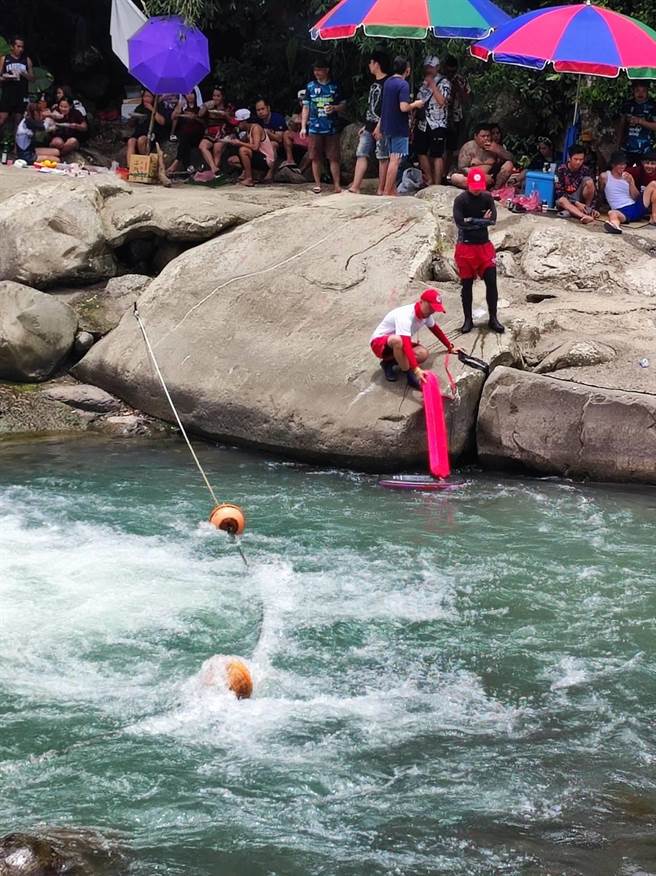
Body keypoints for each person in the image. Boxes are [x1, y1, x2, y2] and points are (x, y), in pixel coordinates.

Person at [453, 168, 504, 334]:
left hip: (484, 246)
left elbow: (493, 220)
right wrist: (482, 221)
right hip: (465, 246)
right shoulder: (460, 200)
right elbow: (461, 223)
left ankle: (493, 317)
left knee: (491, 282)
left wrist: (474, 222)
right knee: (466, 285)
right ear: (468, 183)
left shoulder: (487, 198)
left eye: (479, 186)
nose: (476, 189)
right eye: (474, 186)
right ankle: (468, 319)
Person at [370, 288, 455, 388]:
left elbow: (436, 330)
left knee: (423, 354)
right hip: (380, 344)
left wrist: (449, 346)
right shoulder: (405, 316)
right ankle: (409, 376)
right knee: (398, 341)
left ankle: (388, 363)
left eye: (435, 309)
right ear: (422, 302)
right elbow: (405, 344)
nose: (432, 311)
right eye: (431, 307)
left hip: (398, 342)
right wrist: (416, 370)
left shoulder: (426, 315)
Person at [378, 56, 425, 197]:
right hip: (399, 126)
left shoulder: (388, 82)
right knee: (395, 159)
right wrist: (415, 104)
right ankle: (387, 191)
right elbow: (404, 107)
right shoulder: (403, 85)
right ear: (407, 70)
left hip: (387, 126)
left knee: (390, 157)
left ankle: (391, 189)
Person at [348, 50, 390, 195]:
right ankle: (355, 186)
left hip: (382, 125)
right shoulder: (374, 84)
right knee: (361, 153)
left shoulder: (388, 83)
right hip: (370, 124)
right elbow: (372, 106)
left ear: (377, 64)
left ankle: (381, 188)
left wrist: (379, 126)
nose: (369, 65)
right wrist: (366, 126)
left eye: (371, 62)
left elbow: (387, 107)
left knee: (382, 156)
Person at [300, 60, 346, 194]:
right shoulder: (310, 87)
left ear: (327, 70)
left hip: (331, 127)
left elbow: (344, 104)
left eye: (319, 70)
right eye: (315, 70)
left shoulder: (335, 86)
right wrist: (303, 126)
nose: (316, 73)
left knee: (334, 157)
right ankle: (317, 184)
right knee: (315, 156)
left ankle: (337, 185)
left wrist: (335, 108)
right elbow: (306, 107)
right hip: (314, 127)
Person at [414, 56, 451, 187]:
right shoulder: (423, 83)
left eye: (432, 67)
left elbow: (442, 102)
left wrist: (433, 85)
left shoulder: (444, 82)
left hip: (438, 122)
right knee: (421, 151)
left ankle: (437, 184)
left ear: (437, 68)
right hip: (423, 122)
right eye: (427, 67)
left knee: (437, 153)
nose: (429, 70)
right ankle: (429, 179)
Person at [600, 150, 656, 233]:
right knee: (612, 213)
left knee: (653, 184)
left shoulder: (627, 176)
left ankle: (654, 216)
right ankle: (615, 226)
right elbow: (601, 192)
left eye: (624, 164)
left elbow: (636, 197)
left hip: (635, 206)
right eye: (620, 164)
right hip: (621, 210)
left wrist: (631, 183)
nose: (623, 166)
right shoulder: (604, 176)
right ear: (613, 165)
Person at [225, 108, 275, 186]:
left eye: (238, 123)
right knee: (232, 160)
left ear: (244, 121)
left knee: (243, 150)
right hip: (258, 157)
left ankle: (249, 179)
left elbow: (255, 147)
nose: (237, 125)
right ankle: (253, 175)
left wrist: (239, 143)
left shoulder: (256, 128)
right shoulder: (248, 131)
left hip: (266, 159)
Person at [555, 143, 599, 224]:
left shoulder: (586, 170)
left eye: (581, 159)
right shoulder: (561, 169)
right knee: (561, 200)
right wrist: (576, 203)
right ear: (569, 158)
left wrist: (591, 208)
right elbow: (559, 192)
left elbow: (593, 192)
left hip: (581, 200)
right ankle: (583, 215)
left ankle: (586, 210)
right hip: (567, 200)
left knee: (589, 182)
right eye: (575, 159)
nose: (578, 162)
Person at [442, 55, 471, 175]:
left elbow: (467, 100)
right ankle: (441, 172)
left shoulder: (461, 80)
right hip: (440, 118)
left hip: (457, 117)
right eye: (448, 71)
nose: (450, 74)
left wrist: (458, 88)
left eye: (453, 71)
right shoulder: (440, 80)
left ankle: (450, 171)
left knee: (454, 147)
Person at [617, 82, 656, 166]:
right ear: (633, 91)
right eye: (637, 91)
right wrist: (618, 144)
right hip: (627, 148)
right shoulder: (627, 104)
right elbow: (621, 125)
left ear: (647, 92)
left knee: (644, 174)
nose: (640, 94)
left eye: (643, 91)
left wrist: (641, 121)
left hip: (646, 148)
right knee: (624, 173)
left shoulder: (653, 106)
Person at [0, 36, 34, 133]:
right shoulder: (4, 59)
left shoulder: (26, 60)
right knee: (2, 118)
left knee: (18, 122)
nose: (21, 49)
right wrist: (7, 77)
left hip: (21, 94)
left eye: (22, 47)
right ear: (12, 47)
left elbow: (32, 79)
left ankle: (16, 148)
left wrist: (24, 73)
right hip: (8, 93)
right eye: (18, 46)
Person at [167, 91, 205, 175]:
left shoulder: (200, 106)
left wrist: (195, 117)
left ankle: (175, 163)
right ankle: (188, 166)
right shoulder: (182, 106)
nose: (190, 96)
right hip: (185, 133)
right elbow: (173, 117)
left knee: (184, 138)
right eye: (187, 94)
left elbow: (204, 122)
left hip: (197, 133)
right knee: (184, 139)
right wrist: (178, 109)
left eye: (192, 94)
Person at [198, 86, 234, 175]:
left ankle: (213, 173)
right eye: (214, 96)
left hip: (224, 132)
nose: (215, 98)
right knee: (202, 146)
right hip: (211, 133)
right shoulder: (210, 106)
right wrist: (205, 107)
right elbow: (200, 115)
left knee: (217, 148)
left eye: (218, 96)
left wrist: (225, 115)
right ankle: (214, 168)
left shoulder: (228, 107)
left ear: (222, 97)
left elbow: (233, 121)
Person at [450, 123, 497, 190]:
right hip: (473, 177)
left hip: (491, 178)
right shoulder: (468, 147)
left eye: (488, 136)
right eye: (483, 136)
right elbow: (462, 168)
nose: (486, 138)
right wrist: (481, 176)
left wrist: (498, 151)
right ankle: (478, 188)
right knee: (456, 178)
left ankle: (480, 188)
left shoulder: (495, 146)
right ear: (476, 136)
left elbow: (509, 160)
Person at [126, 90, 168, 162]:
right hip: (140, 131)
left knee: (141, 140)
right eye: (145, 96)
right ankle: (130, 166)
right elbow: (131, 124)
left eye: (149, 97)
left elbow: (162, 122)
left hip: (152, 132)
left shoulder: (158, 107)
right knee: (131, 141)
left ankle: (144, 162)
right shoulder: (140, 107)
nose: (146, 99)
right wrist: (133, 118)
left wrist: (151, 109)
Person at [487, 123, 514, 189]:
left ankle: (496, 189)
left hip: (496, 177)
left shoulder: (503, 147)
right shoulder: (484, 146)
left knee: (509, 164)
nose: (496, 135)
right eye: (493, 133)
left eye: (498, 133)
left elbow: (511, 158)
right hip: (484, 176)